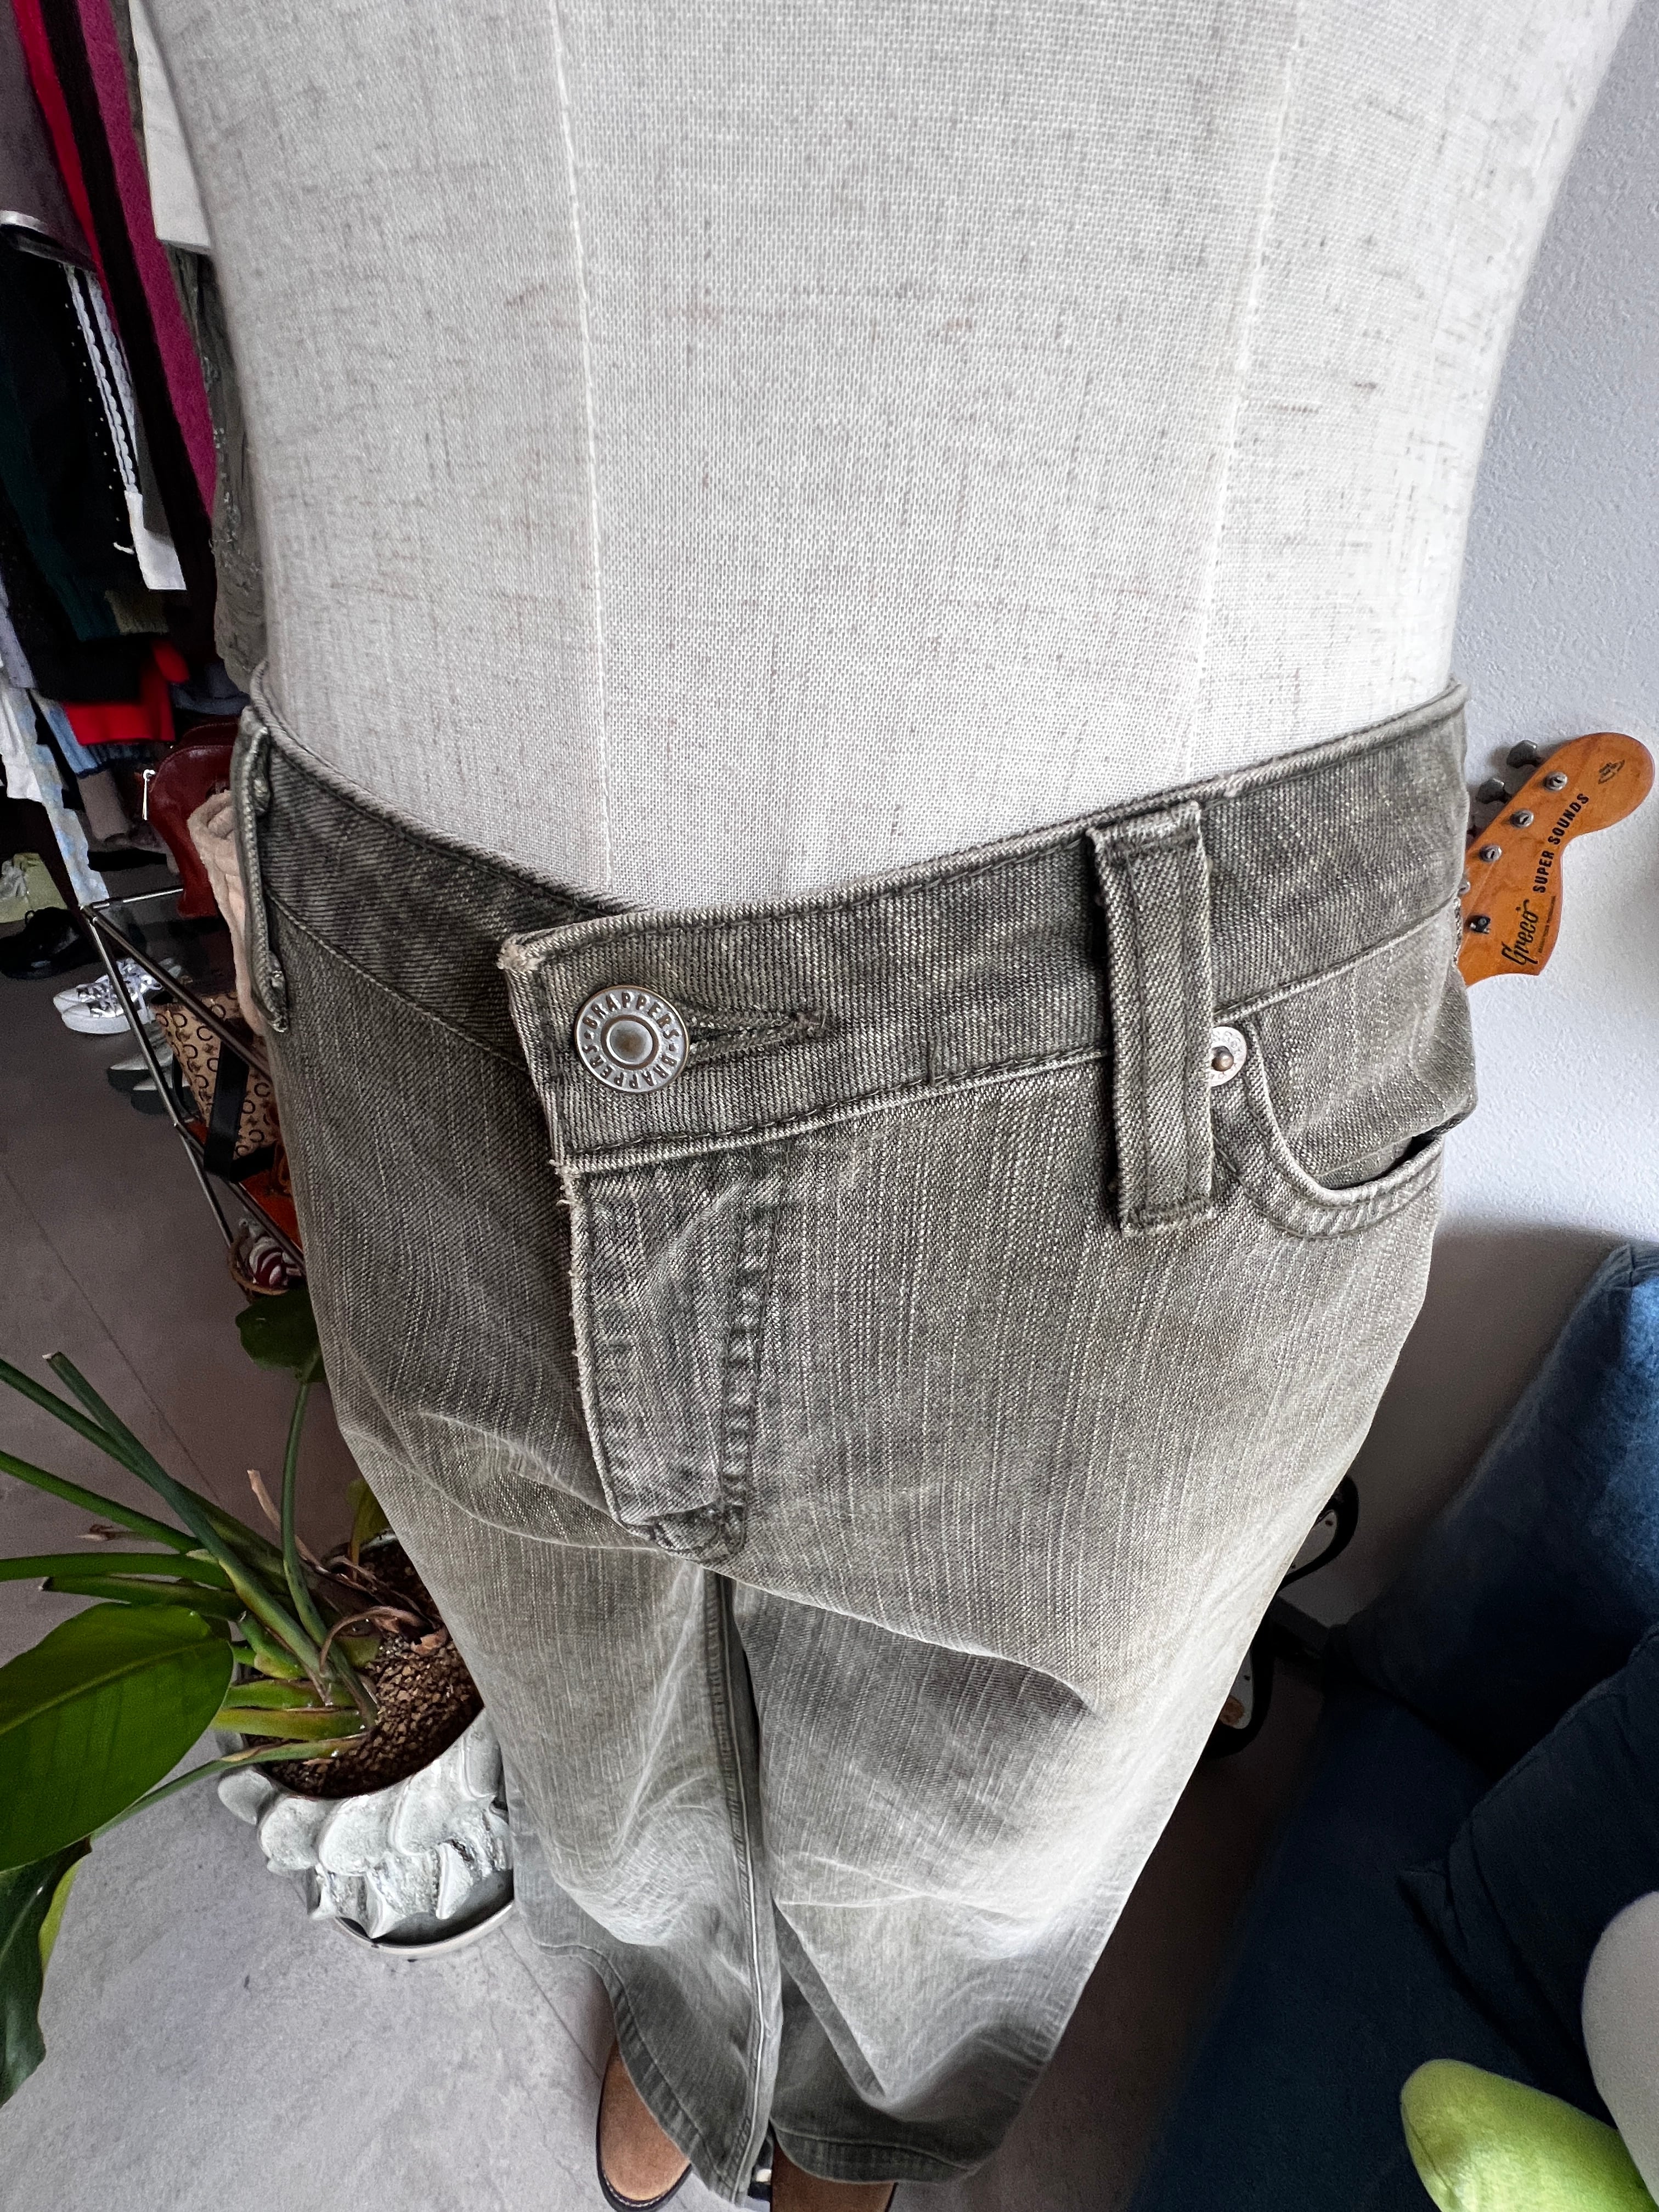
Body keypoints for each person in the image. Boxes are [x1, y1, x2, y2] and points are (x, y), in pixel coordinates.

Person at [150, 2, 1634, 2202]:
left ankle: (869, 2116)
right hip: (406, 954)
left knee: (984, 1855)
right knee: (594, 1755)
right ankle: (699, 2026)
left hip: (1159, 1051)